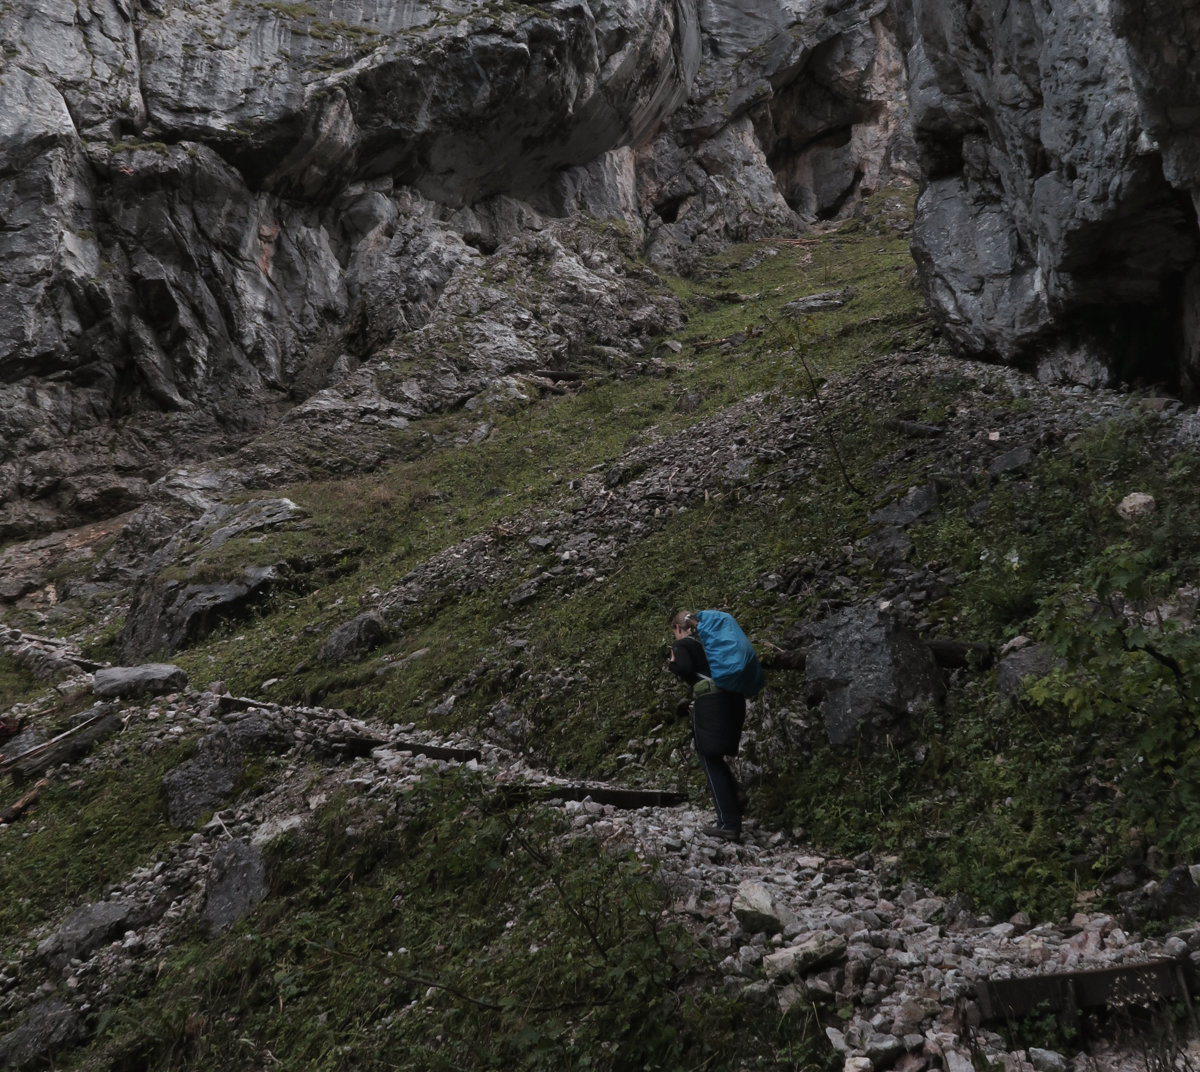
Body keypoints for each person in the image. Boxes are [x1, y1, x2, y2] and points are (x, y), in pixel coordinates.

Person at [667, 610, 746, 842]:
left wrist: (672, 664)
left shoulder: (683, 644)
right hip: (734, 699)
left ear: (678, 628)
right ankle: (735, 793)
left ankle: (728, 823)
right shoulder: (707, 643)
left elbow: (684, 668)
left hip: (712, 701)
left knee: (707, 756)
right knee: (714, 755)